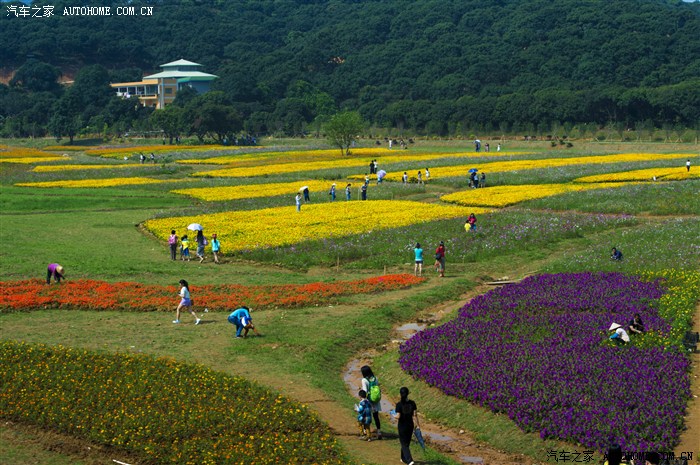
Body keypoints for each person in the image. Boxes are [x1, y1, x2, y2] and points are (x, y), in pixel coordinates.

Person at [395, 387, 418, 465]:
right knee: (406, 442)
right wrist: (417, 425)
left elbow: (398, 416)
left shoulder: (399, 404)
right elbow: (415, 415)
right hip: (410, 425)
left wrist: (393, 415)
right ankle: (403, 458)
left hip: (402, 426)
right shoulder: (412, 403)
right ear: (408, 394)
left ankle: (409, 460)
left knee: (404, 443)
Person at [360, 365, 382, 439]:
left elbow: (365, 391)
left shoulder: (364, 380)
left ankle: (366, 432)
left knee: (366, 416)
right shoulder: (375, 378)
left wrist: (363, 401)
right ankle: (379, 432)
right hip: (375, 400)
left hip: (368, 401)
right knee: (376, 416)